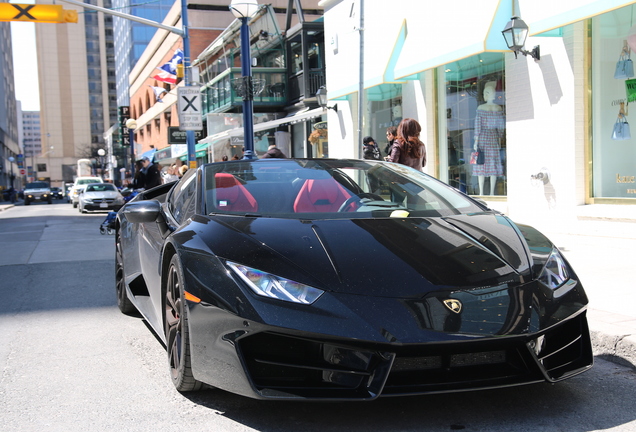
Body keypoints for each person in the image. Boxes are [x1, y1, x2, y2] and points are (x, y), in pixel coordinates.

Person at [472, 81, 504, 195]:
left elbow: (478, 125)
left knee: (481, 164)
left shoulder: (481, 107)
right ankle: (491, 193)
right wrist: (499, 137)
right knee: (493, 164)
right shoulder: (498, 108)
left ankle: (481, 192)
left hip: (483, 137)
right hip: (493, 138)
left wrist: (476, 140)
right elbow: (500, 126)